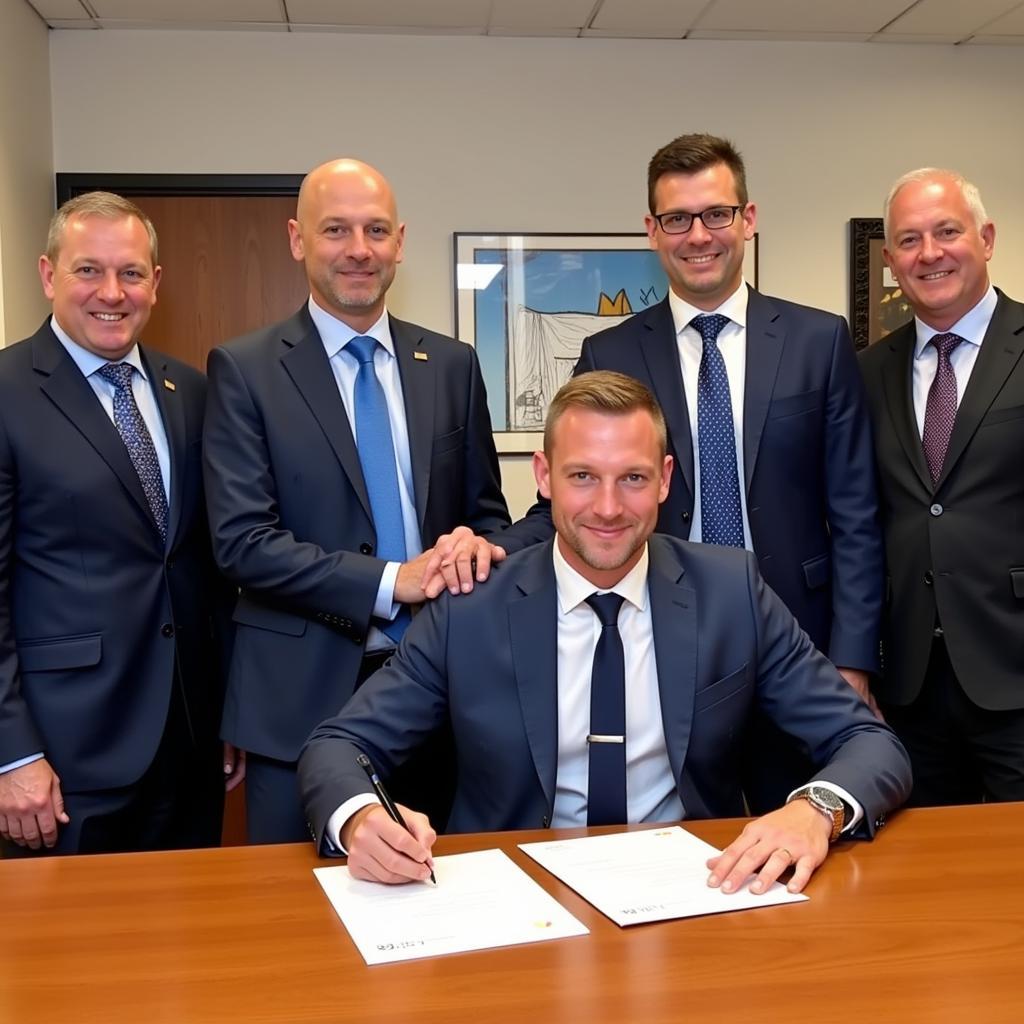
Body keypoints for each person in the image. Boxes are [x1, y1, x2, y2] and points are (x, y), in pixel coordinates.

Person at [299, 372, 910, 894]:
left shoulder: (731, 592)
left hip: (695, 888)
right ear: (543, 476)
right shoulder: (471, 608)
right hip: (513, 893)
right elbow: (337, 746)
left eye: (634, 479)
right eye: (584, 477)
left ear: (666, 479)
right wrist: (358, 821)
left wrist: (815, 810)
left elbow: (870, 742)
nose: (609, 508)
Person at [438, 133, 884, 812]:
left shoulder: (817, 340)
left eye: (716, 214)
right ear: (652, 230)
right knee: (682, 818)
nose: (698, 235)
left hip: (800, 639)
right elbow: (576, 497)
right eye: (677, 218)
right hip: (674, 640)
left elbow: (855, 514)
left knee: (792, 845)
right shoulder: (610, 349)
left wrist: (850, 661)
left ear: (748, 218)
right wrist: (487, 548)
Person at [203, 158, 511, 843]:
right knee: (294, 915)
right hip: (298, 701)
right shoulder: (245, 370)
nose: (358, 249)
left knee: (442, 899)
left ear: (400, 241)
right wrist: (389, 581)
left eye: (375, 230)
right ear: (297, 239)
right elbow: (242, 543)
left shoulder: (452, 364)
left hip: (437, 691)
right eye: (336, 229)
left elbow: (490, 516)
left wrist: (476, 543)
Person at [0, 192, 236, 856]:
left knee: (193, 948)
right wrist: (12, 755)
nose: (113, 292)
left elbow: (204, 566)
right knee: (68, 958)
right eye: (88, 271)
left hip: (189, 746)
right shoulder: (7, 393)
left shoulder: (188, 390)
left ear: (155, 284)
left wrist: (226, 715)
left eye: (131, 272)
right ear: (48, 276)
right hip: (63, 760)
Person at [859, 168, 1024, 805]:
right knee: (922, 877)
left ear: (985, 238)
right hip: (910, 684)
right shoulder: (869, 369)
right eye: (908, 240)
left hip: (1015, 668)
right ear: (892, 258)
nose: (929, 253)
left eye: (946, 231)